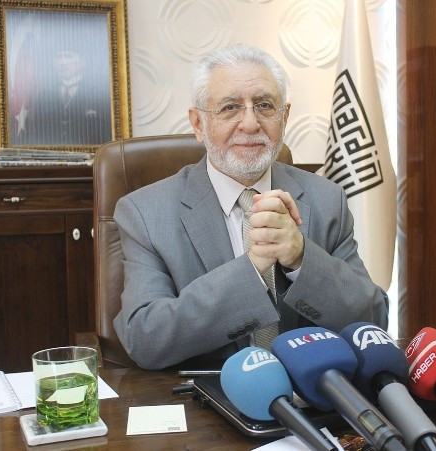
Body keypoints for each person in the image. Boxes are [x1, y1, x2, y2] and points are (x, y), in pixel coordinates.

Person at [113, 43, 388, 370]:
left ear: (284, 117)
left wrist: (302, 257)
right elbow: (146, 339)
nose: (250, 123)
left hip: (311, 389)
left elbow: (373, 320)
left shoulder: (327, 199)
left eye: (264, 105)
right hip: (208, 392)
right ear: (198, 124)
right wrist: (252, 269)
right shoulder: (145, 213)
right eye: (230, 107)